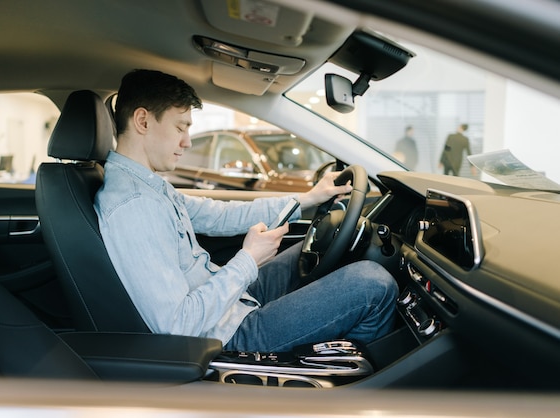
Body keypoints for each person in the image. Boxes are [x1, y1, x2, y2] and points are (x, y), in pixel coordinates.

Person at [94, 69, 398, 353]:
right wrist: (247, 260)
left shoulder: (148, 186)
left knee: (318, 247)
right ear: (143, 122)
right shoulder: (133, 206)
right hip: (225, 335)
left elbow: (219, 215)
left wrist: (308, 198)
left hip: (227, 302)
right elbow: (179, 325)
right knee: (374, 284)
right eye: (180, 127)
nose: (187, 142)